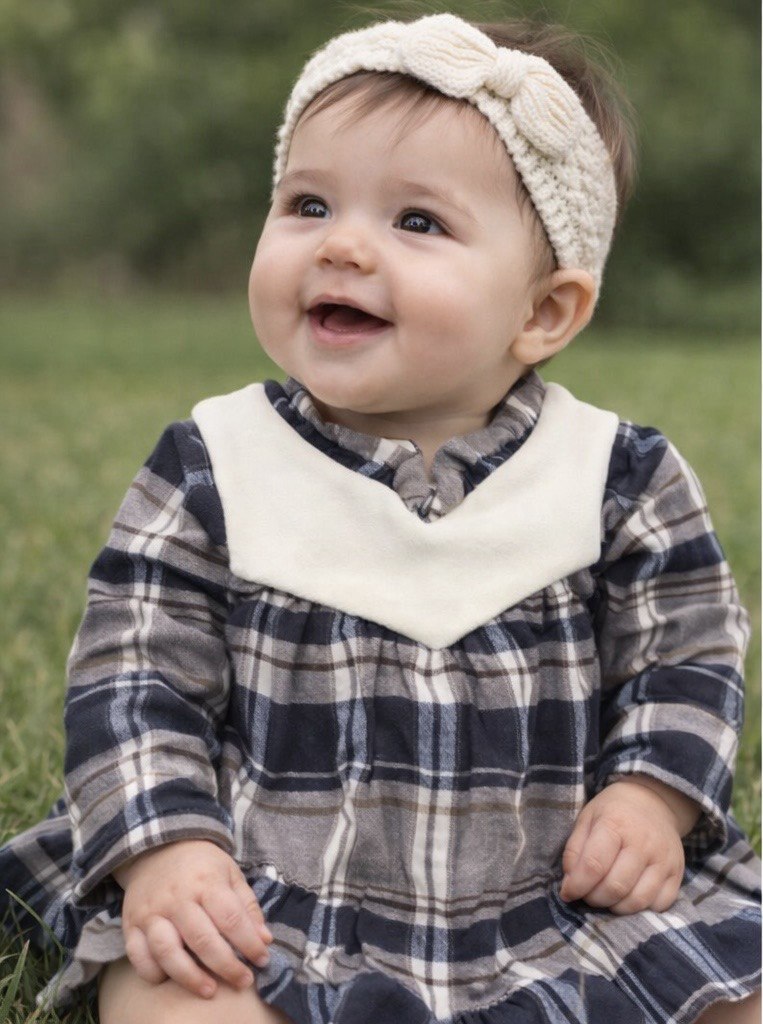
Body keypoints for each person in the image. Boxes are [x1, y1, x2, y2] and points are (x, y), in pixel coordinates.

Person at [0, 12, 760, 1024]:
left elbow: (689, 655)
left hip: (552, 891)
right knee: (173, 990)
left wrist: (651, 797)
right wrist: (169, 846)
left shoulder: (616, 478)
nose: (343, 245)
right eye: (307, 203)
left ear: (544, 312)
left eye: (416, 222)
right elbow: (135, 677)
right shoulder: (214, 464)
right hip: (272, 888)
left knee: (728, 991)